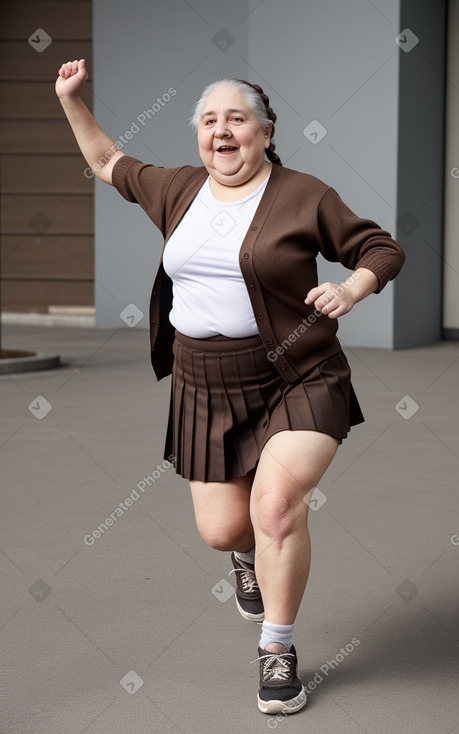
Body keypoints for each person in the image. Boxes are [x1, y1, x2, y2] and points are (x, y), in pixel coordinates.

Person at [56, 59, 405, 715]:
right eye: (208, 120)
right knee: (223, 530)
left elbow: (378, 248)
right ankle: (244, 556)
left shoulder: (304, 195)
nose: (221, 130)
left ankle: (277, 650)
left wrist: (350, 287)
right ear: (198, 136)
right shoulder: (175, 190)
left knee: (276, 508)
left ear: (265, 132)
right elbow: (107, 160)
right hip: (203, 383)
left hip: (298, 375)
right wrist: (71, 100)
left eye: (235, 118)